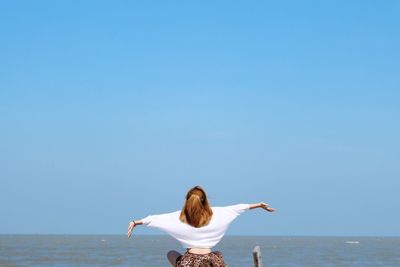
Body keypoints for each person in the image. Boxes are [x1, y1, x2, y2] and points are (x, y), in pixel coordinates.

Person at [127, 186, 275, 266]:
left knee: (171, 253)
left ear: (187, 201)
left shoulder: (180, 217)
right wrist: (259, 205)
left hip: (189, 262)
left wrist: (135, 222)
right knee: (216, 256)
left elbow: (155, 219)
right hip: (212, 260)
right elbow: (238, 207)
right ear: (205, 200)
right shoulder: (216, 213)